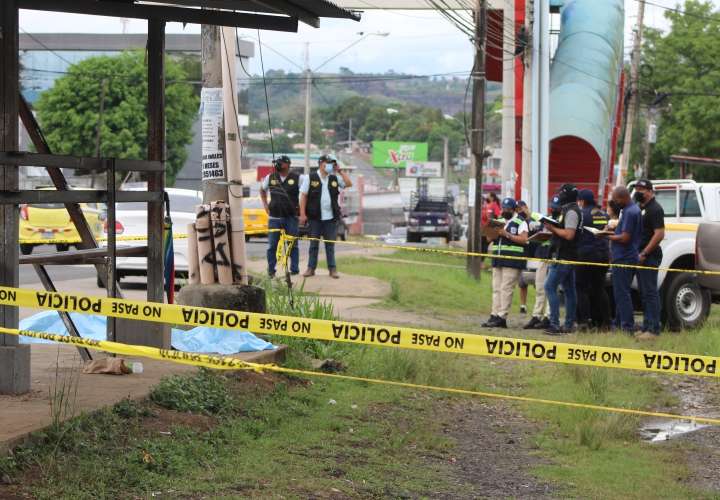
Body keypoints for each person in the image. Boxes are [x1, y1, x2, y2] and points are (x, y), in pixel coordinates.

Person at [299, 155, 353, 278]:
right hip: (315, 218)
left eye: (331, 163)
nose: (329, 165)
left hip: (330, 218)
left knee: (330, 245)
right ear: (320, 164)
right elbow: (303, 196)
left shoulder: (334, 178)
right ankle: (310, 269)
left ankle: (332, 269)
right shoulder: (310, 178)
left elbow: (349, 184)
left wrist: (339, 171)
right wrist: (302, 214)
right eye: (327, 163)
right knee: (314, 245)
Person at [481, 198, 528, 328]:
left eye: (508, 209)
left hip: (512, 260)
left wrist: (506, 234)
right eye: (504, 208)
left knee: (506, 289)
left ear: (514, 209)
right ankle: (494, 315)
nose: (505, 211)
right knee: (496, 288)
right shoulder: (499, 220)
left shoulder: (520, 221)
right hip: (497, 259)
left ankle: (502, 317)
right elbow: (489, 239)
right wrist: (491, 230)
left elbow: (524, 239)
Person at [543, 184, 583, 335]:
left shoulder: (572, 212)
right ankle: (569, 324)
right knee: (569, 290)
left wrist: (552, 229)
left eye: (561, 192)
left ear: (566, 195)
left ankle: (554, 324)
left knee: (549, 287)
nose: (559, 194)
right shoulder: (568, 209)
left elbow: (569, 235)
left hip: (565, 256)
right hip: (566, 255)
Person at [604, 186, 642, 333]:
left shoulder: (629, 212)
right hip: (626, 256)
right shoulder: (630, 210)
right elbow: (624, 232)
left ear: (622, 198)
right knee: (620, 292)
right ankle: (619, 323)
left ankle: (627, 326)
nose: (615, 202)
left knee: (622, 293)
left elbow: (625, 238)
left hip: (624, 258)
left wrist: (606, 236)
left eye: (616, 199)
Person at [575, 189, 611, 330]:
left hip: (585, 256)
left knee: (582, 288)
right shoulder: (604, 215)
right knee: (599, 289)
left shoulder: (581, 215)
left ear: (582, 201)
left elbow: (575, 235)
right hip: (602, 256)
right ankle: (605, 322)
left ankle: (584, 321)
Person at [634, 179, 665, 340]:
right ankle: (646, 326)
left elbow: (659, 234)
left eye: (641, 189)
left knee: (650, 292)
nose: (638, 192)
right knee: (644, 293)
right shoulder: (642, 208)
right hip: (640, 255)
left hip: (649, 256)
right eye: (637, 189)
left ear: (650, 191)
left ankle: (653, 329)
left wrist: (644, 253)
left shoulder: (655, 209)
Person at [259, 155, 300, 278]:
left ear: (287, 164)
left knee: (292, 244)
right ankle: (271, 270)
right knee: (272, 245)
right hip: (274, 218)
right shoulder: (270, 177)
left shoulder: (298, 178)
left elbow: (304, 194)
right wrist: (265, 205)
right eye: (276, 162)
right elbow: (262, 190)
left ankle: (294, 269)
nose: (277, 165)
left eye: (280, 163)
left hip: (291, 217)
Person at [524, 204, 554, 330]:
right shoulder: (546, 219)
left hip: (554, 256)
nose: (552, 208)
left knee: (551, 288)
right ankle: (537, 316)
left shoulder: (560, 221)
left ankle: (548, 316)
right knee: (540, 287)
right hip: (543, 255)